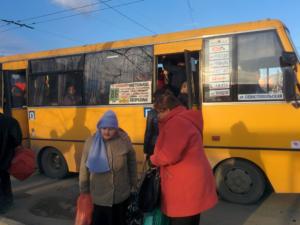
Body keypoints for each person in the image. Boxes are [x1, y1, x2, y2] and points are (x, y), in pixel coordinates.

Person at [150, 90, 218, 225]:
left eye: (158, 112)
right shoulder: (187, 118)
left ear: (168, 110)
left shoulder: (176, 123)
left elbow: (168, 155)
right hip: (194, 181)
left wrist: (153, 159)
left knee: (182, 219)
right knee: (192, 217)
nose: (157, 116)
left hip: (184, 184)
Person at [79, 110, 137, 225]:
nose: (107, 132)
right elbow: (84, 168)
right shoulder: (90, 142)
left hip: (120, 196)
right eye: (104, 128)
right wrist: (84, 191)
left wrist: (133, 183)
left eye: (111, 129)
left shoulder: (124, 139)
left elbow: (131, 162)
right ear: (99, 127)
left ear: (116, 129)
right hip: (99, 198)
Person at [0, 113, 22, 213]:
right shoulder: (11, 121)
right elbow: (18, 140)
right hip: (7, 158)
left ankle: (2, 207)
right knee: (5, 179)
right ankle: (8, 201)